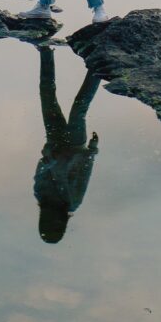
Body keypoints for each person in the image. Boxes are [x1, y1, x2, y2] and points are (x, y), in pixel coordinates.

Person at [33, 45, 101, 243]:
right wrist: (92, 149)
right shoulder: (72, 201)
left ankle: (46, 50)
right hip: (74, 146)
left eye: (47, 224)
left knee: (47, 94)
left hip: (54, 143)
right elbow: (84, 175)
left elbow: (40, 170)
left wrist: (51, 158)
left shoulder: (41, 197)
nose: (50, 221)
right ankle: (97, 65)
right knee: (79, 107)